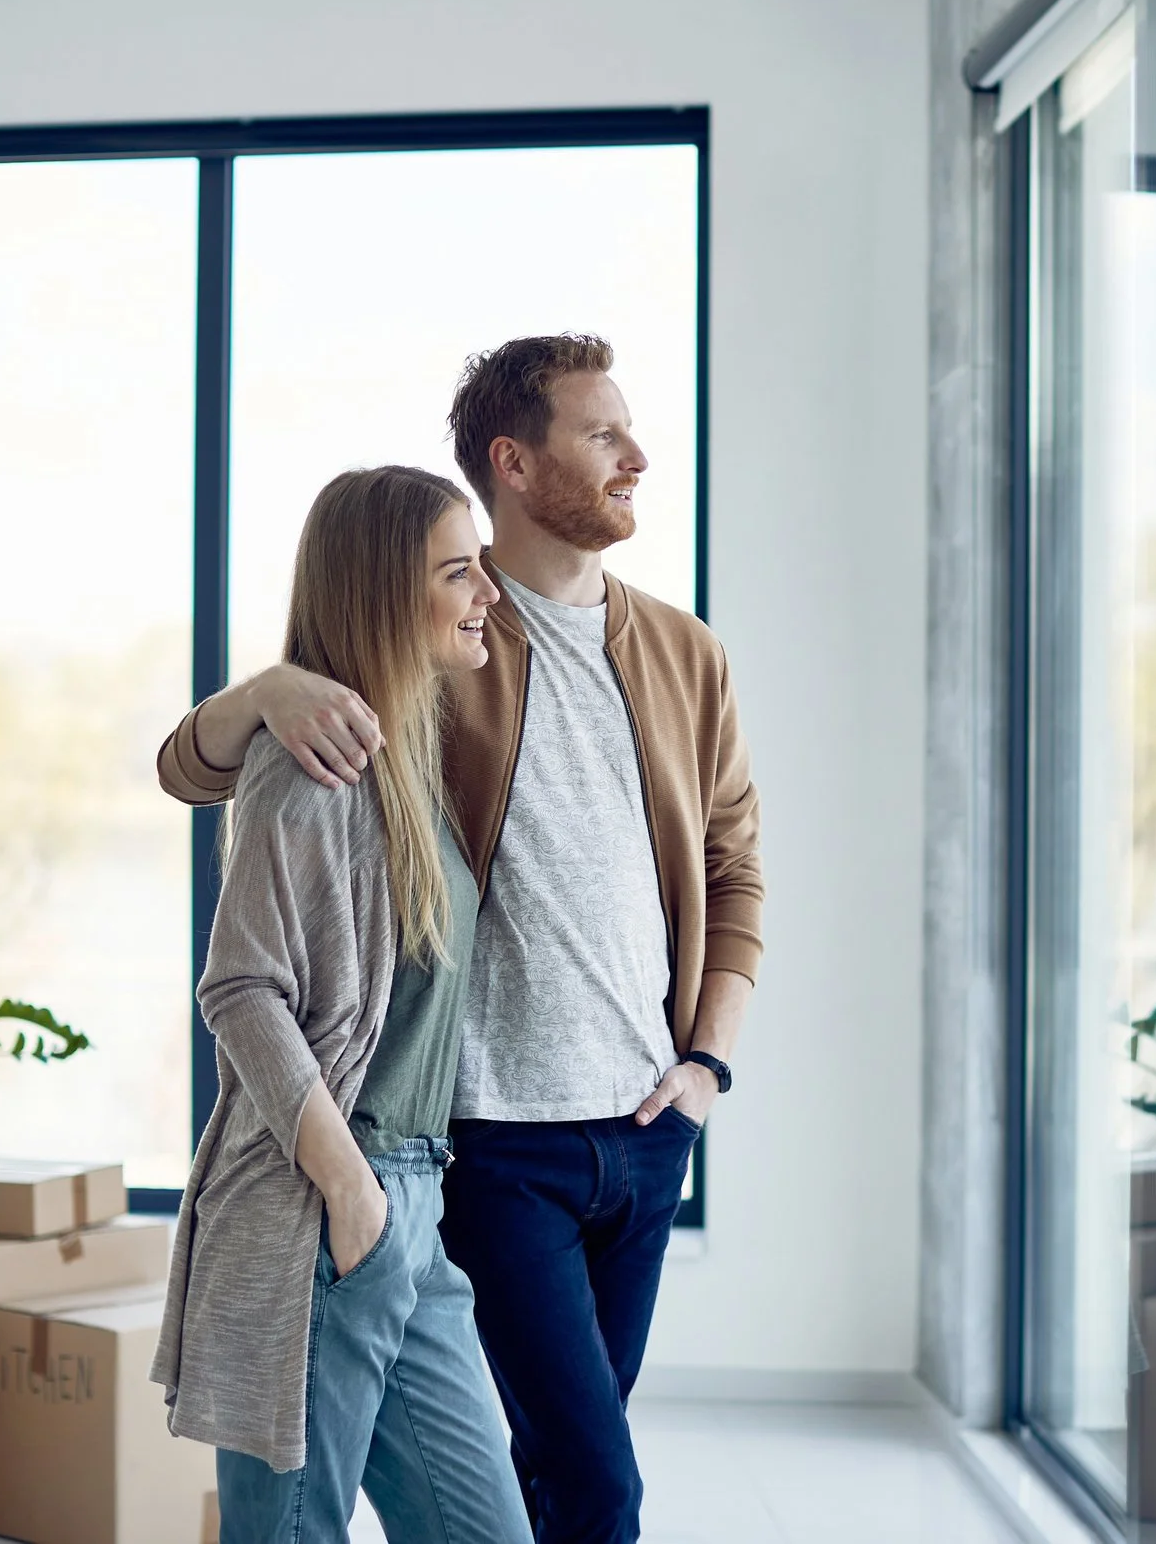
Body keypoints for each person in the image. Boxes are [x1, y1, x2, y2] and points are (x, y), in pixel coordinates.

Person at [156, 333, 764, 1544]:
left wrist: (704, 1068)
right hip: (468, 1144)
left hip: (635, 1133)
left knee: (555, 1471)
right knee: (589, 1483)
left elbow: (734, 868)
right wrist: (263, 690)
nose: (637, 455)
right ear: (516, 462)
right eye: (603, 433)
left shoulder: (684, 655)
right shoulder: (439, 657)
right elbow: (200, 782)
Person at [150, 465, 531, 1544]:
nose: (485, 594)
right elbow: (239, 987)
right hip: (328, 1201)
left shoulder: (406, 746)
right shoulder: (309, 763)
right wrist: (350, 1190)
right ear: (380, 593)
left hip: (413, 1206)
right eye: (458, 572)